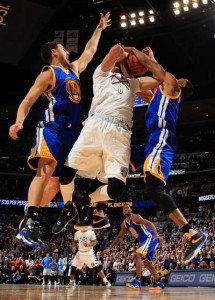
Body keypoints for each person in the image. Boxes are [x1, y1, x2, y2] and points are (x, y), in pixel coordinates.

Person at [8, 11, 111, 247]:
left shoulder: (73, 69)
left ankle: (29, 217)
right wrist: (19, 121)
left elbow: (90, 51)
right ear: (55, 52)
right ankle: (32, 219)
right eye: (64, 49)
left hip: (72, 133)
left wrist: (99, 29)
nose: (68, 52)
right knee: (46, 170)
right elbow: (27, 100)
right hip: (52, 128)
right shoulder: (49, 73)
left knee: (58, 182)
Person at [52, 43, 160, 232]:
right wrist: (129, 51)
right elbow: (114, 51)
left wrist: (149, 60)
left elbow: (160, 78)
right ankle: (68, 208)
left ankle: (85, 200)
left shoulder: (134, 84)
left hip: (120, 133)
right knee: (66, 173)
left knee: (117, 190)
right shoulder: (100, 75)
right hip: (94, 126)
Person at [123, 46, 208, 264]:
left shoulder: (173, 90)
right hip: (154, 140)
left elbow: (157, 70)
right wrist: (125, 64)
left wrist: (135, 51)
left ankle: (192, 233)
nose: (173, 77)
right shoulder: (159, 95)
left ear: (180, 85)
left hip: (162, 137)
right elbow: (137, 87)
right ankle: (191, 233)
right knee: (152, 189)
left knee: (154, 189)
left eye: (177, 78)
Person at [103, 204, 164, 290]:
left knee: (137, 254)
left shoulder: (136, 217)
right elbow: (119, 237)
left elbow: (150, 223)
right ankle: (159, 283)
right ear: (122, 211)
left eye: (127, 207)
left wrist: (157, 235)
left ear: (131, 209)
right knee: (146, 263)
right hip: (144, 241)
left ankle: (137, 281)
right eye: (124, 208)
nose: (126, 209)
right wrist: (110, 248)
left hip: (150, 237)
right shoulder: (124, 224)